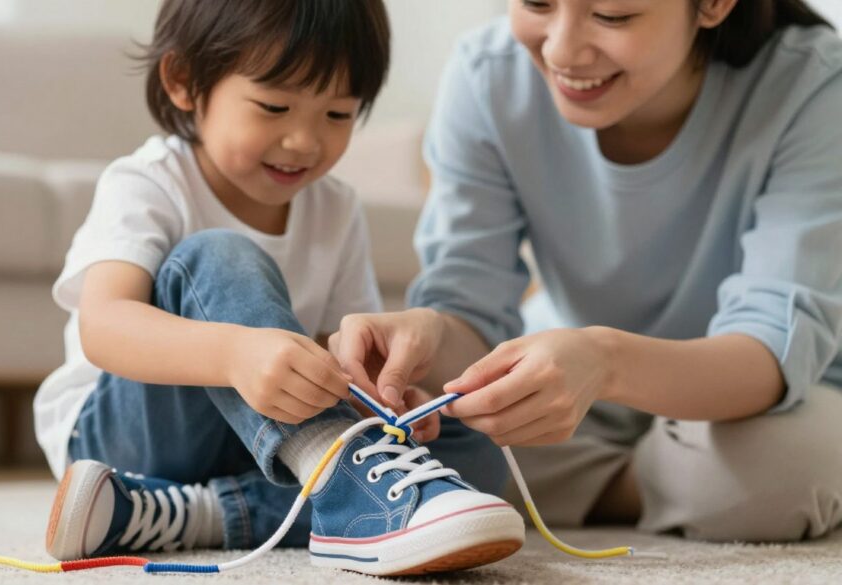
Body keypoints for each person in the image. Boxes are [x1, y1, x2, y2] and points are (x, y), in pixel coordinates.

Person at [33, 0, 523, 575]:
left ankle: (198, 513)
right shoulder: (147, 184)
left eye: (337, 115)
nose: (303, 142)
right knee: (217, 254)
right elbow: (105, 325)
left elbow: (339, 352)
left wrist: (385, 404)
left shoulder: (335, 207)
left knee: (481, 459)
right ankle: (336, 472)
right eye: (274, 106)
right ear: (184, 81)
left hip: (259, 445)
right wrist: (235, 352)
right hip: (131, 437)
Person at [331, 0, 842, 542]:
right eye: (537, 4)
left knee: (784, 467)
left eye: (613, 16)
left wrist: (605, 362)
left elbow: (771, 354)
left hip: (765, 396)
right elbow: (470, 308)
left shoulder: (814, 88)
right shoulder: (488, 76)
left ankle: (599, 487)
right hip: (579, 384)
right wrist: (432, 336)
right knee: (408, 434)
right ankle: (668, 484)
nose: (561, 50)